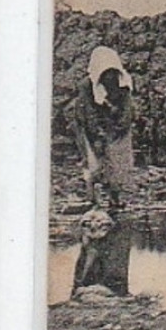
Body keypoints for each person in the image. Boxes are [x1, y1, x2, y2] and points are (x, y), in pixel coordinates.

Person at [66, 45, 137, 208]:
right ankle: (91, 196)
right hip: (89, 124)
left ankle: (115, 196)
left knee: (118, 160)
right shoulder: (86, 86)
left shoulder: (124, 84)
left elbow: (127, 111)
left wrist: (118, 128)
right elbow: (89, 114)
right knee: (93, 161)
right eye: (106, 74)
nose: (110, 77)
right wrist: (98, 134)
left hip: (115, 124)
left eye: (113, 73)